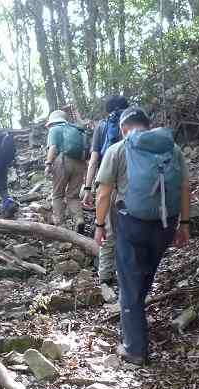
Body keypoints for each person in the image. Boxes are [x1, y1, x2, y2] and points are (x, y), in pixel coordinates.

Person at [94, 106, 191, 366]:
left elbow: (103, 193)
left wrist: (99, 224)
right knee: (144, 274)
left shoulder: (118, 149)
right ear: (148, 126)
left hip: (131, 224)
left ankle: (135, 348)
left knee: (128, 285)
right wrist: (185, 223)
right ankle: (136, 315)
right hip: (166, 224)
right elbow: (183, 187)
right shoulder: (172, 149)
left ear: (124, 128)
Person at [80, 95, 129, 284]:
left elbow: (93, 161)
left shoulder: (102, 126)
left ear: (107, 110)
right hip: (130, 184)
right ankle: (128, 273)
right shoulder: (136, 123)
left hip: (107, 180)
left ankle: (105, 276)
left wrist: (87, 187)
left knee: (107, 229)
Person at [44, 110, 88, 228]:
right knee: (73, 195)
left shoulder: (55, 129)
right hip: (80, 163)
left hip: (63, 161)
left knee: (57, 194)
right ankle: (79, 219)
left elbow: (53, 148)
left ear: (52, 121)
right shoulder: (77, 130)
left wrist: (48, 164)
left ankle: (60, 224)